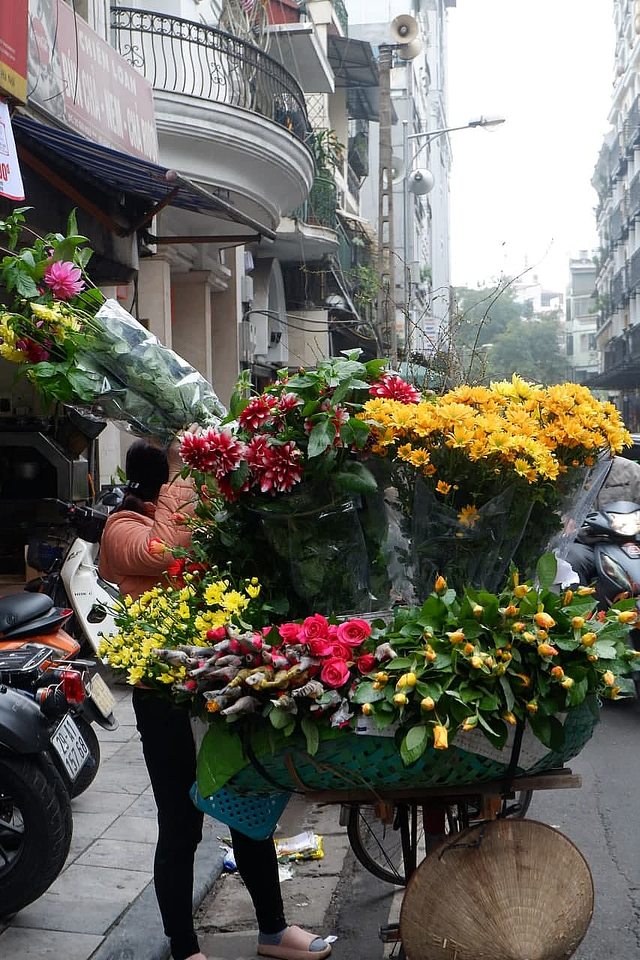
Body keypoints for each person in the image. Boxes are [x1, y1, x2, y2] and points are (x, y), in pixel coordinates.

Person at [99, 437, 331, 960]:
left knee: (246, 807)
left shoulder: (183, 515)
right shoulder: (121, 529)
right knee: (181, 824)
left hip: (217, 683)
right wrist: (188, 479)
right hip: (162, 696)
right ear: (152, 481)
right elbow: (164, 550)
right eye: (172, 470)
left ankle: (273, 930)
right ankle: (185, 948)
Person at [566, 454, 640, 585]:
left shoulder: (632, 470)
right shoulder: (572, 470)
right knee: (572, 559)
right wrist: (566, 522)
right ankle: (577, 603)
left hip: (628, 542)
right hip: (587, 543)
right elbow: (559, 507)